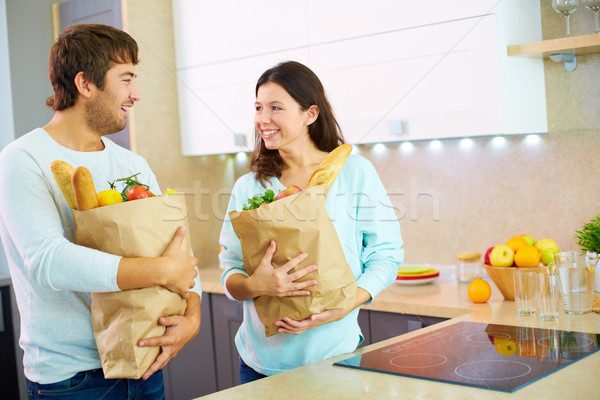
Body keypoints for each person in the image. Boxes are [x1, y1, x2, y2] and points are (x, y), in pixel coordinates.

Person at [0, 24, 201, 399]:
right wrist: (159, 271)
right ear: (85, 84)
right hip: (74, 379)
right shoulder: (22, 160)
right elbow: (48, 261)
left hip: (143, 363)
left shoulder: (132, 163)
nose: (135, 94)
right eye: (126, 79)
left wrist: (192, 316)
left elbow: (177, 248)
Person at [219, 61, 404, 383]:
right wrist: (255, 285)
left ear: (310, 114)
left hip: (336, 358)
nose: (263, 119)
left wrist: (346, 305)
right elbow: (230, 267)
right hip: (259, 365)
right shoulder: (249, 187)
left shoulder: (353, 173)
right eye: (259, 107)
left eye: (276, 107)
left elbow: (386, 255)